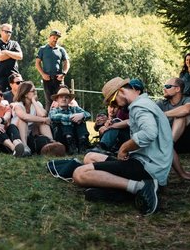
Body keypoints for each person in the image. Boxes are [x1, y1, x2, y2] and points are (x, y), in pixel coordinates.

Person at [72, 77, 173, 216]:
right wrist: (180, 174)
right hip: (149, 165)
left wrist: (124, 148)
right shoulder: (146, 103)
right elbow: (167, 143)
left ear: (120, 91)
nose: (116, 106)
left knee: (79, 174)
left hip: (147, 169)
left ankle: (141, 187)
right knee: (90, 157)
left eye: (113, 101)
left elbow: (149, 133)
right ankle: (122, 191)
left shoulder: (140, 106)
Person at [157, 78, 190, 181]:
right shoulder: (161, 103)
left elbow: (187, 109)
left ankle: (167, 146)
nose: (164, 89)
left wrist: (162, 115)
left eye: (167, 86)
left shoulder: (188, 99)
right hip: (176, 143)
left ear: (177, 89)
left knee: (182, 115)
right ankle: (168, 147)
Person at [11, 81, 62, 155]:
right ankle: (25, 147)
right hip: (18, 137)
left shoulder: (36, 104)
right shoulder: (18, 105)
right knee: (23, 120)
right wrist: (44, 119)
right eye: (33, 91)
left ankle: (52, 143)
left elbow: (43, 114)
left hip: (31, 135)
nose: (35, 92)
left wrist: (34, 101)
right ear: (25, 94)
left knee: (42, 123)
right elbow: (25, 117)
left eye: (36, 90)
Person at [49, 86, 91, 154]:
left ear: (69, 100)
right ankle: (70, 145)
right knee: (65, 122)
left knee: (81, 121)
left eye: (66, 97)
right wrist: (71, 117)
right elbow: (53, 117)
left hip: (76, 136)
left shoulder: (74, 108)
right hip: (61, 137)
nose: (64, 99)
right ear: (57, 100)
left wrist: (82, 115)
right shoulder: (54, 110)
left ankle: (82, 143)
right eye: (61, 97)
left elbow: (88, 114)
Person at [35, 29, 70, 107]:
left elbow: (67, 63)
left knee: (62, 99)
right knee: (49, 101)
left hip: (59, 79)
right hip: (47, 79)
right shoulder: (42, 49)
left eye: (57, 38)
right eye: (54, 37)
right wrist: (43, 74)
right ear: (49, 37)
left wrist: (63, 74)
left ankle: (61, 117)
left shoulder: (61, 50)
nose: (55, 39)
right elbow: (37, 63)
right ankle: (49, 118)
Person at [0, 23, 23, 89]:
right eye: (6, 32)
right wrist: (13, 54)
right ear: (1, 32)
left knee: (16, 96)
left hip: (14, 75)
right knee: (0, 96)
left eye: (10, 32)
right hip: (1, 76)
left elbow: (20, 56)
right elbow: (0, 57)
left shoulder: (15, 44)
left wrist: (6, 52)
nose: (8, 34)